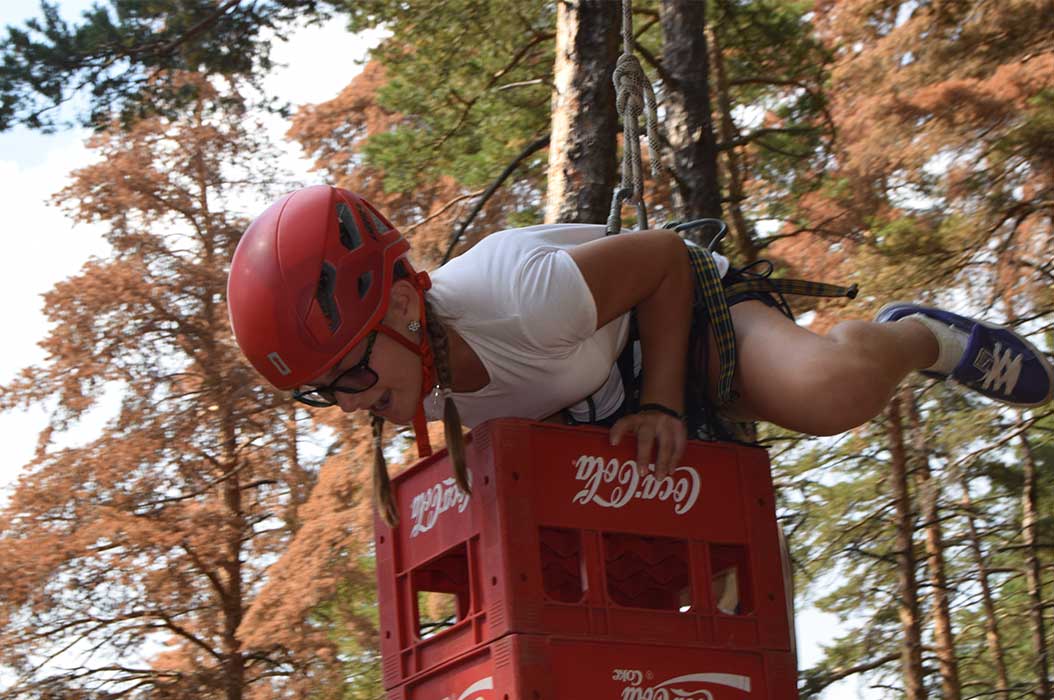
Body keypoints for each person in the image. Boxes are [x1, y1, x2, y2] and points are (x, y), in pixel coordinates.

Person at [227, 185, 1054, 524]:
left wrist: (661, 397)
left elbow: (661, 257)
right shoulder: (427, 394)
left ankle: (922, 336)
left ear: (404, 303)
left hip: (677, 314)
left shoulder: (519, 295)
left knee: (827, 394)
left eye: (353, 373)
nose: (349, 404)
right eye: (323, 394)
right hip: (596, 401)